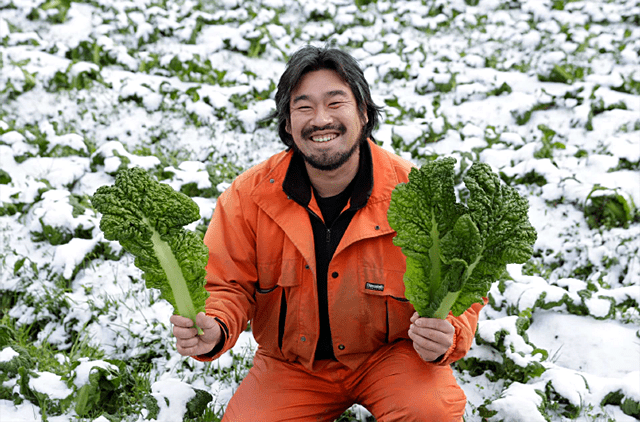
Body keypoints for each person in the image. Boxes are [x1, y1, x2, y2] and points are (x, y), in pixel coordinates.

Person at [170, 45, 485, 422]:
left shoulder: (415, 191)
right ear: (287, 123)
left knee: (430, 413)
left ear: (363, 113)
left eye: (336, 103)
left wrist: (447, 331)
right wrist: (216, 325)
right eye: (303, 107)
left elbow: (461, 281)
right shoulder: (248, 197)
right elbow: (224, 284)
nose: (321, 119)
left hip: (394, 357)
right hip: (292, 365)